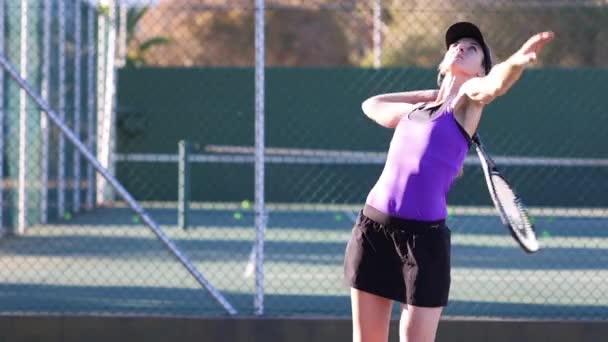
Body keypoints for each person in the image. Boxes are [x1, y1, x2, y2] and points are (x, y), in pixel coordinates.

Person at [343, 22, 554, 342]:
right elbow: (371, 104)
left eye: (473, 48)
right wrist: (433, 94)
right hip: (374, 229)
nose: (461, 47)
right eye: (456, 45)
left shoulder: (468, 102)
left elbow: (493, 86)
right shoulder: (414, 111)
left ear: (482, 69)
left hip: (423, 243)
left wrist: (515, 63)